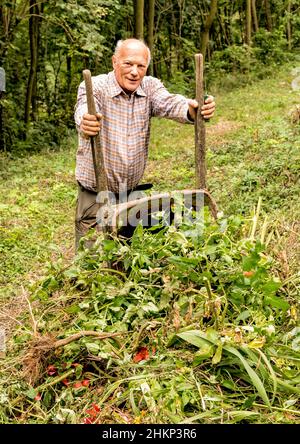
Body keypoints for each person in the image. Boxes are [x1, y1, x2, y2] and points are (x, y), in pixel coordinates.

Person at [74, 38, 215, 249]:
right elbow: (83, 109)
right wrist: (86, 121)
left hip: (130, 194)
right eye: (128, 64)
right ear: (114, 62)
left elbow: (169, 102)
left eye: (141, 66)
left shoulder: (149, 87)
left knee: (129, 257)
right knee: (93, 262)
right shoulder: (96, 86)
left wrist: (192, 109)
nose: (134, 72)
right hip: (95, 195)